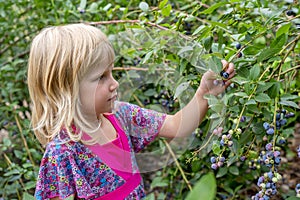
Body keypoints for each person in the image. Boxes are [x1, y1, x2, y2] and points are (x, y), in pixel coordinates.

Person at [27, 23, 235, 200]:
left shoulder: (121, 115)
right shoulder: (63, 153)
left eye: (112, 72)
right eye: (101, 77)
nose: (114, 84)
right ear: (66, 89)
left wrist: (204, 93)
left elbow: (176, 126)